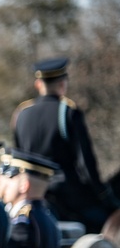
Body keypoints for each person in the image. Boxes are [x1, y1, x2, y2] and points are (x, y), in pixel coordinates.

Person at [12, 57, 117, 232]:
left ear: (38, 84)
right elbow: (85, 163)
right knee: (107, 223)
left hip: (32, 192)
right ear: (63, 84)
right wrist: (103, 194)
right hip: (67, 196)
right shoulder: (68, 112)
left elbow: (18, 156)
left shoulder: (21, 114)